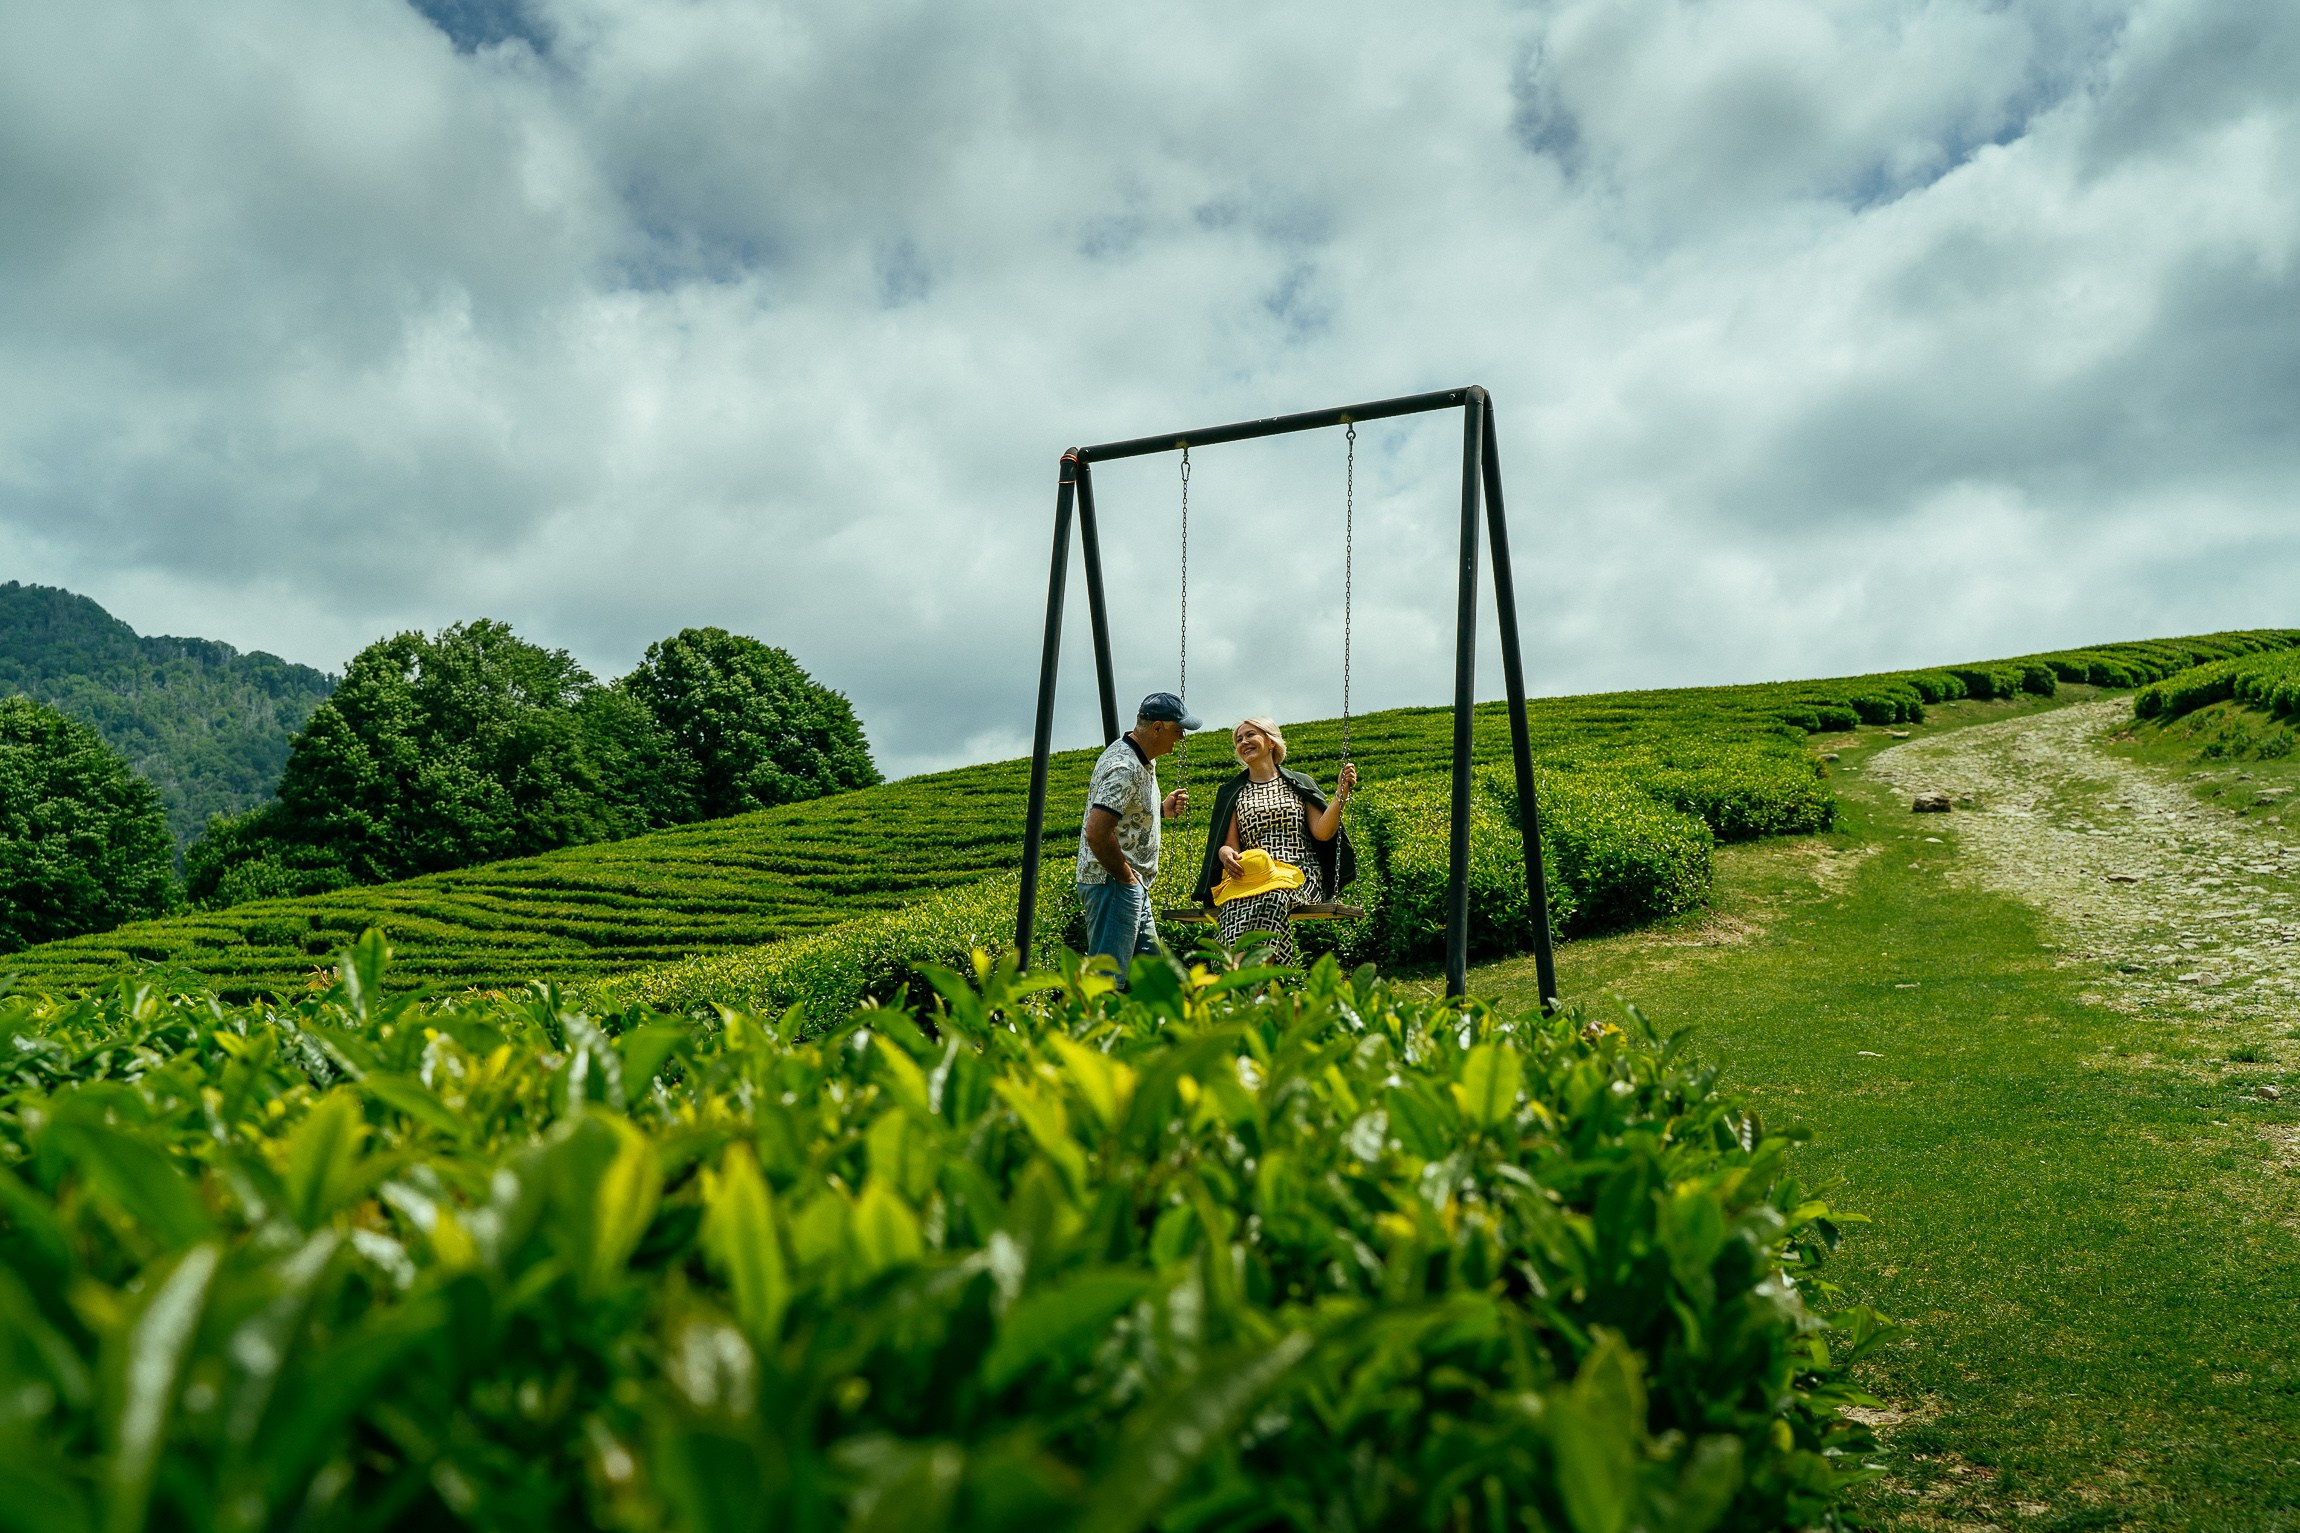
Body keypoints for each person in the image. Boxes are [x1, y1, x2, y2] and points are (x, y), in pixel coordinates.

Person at [1189, 717, 1359, 967]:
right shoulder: (1234, 791)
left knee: (1273, 897)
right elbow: (1229, 845)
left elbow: (1323, 832)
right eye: (1238, 739)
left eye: (1250, 735)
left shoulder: (1298, 783)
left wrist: (1340, 796)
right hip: (1254, 876)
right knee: (1235, 906)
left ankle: (1246, 985)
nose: (1243, 742)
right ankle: (1244, 982)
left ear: (1270, 742)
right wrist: (1225, 854)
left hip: (1298, 874)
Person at [1076, 691, 1196, 986]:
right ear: (1157, 728)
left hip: (1129, 885)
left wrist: (1161, 810)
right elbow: (1097, 831)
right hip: (1113, 884)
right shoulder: (1125, 767)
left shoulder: (1141, 759)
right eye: (1178, 730)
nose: (1181, 738)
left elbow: (1125, 811)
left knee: (1156, 981)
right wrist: (1126, 878)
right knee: (1106, 981)